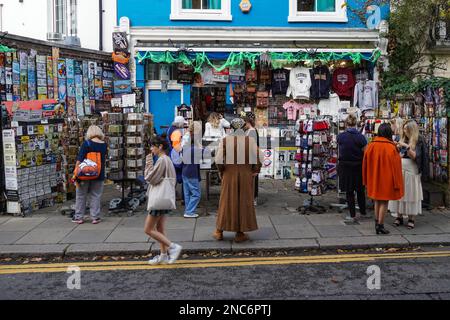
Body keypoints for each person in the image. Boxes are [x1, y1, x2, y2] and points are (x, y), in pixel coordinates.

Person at [213, 118, 262, 243]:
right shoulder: (249, 141)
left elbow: (218, 159)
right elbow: (259, 156)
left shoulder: (225, 141)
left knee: (226, 202)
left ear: (231, 129)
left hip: (229, 175)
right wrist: (255, 170)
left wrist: (222, 170)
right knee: (243, 203)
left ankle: (219, 231)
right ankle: (240, 234)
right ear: (243, 128)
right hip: (246, 176)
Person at [144, 136, 182, 265]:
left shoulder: (161, 160)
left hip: (158, 199)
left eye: (152, 146)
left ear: (160, 146)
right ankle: (164, 255)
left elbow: (150, 178)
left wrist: (148, 163)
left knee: (148, 229)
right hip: (164, 197)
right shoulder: (167, 160)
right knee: (159, 228)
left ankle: (173, 247)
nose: (151, 149)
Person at [363, 123, 404, 234]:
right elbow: (396, 167)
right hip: (387, 179)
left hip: (374, 178)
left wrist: (365, 179)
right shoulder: (391, 147)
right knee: (384, 202)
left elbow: (365, 164)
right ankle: (380, 225)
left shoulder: (370, 145)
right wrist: (397, 183)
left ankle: (377, 223)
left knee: (377, 200)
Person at [389, 120, 427, 229]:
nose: (404, 131)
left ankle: (411, 218)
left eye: (406, 129)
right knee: (400, 193)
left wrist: (406, 146)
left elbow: (415, 156)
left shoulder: (419, 140)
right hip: (400, 168)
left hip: (411, 169)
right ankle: (399, 216)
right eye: (404, 128)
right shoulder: (401, 138)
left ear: (411, 129)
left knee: (411, 193)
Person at [72, 125, 107, 225]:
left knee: (81, 195)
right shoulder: (104, 145)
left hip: (84, 174)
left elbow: (80, 159)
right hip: (99, 174)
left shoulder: (86, 143)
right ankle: (95, 217)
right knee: (96, 195)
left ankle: (79, 217)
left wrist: (75, 173)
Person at [337, 113, 368, 223]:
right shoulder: (361, 137)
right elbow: (366, 152)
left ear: (346, 124)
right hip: (358, 166)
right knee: (360, 190)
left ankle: (352, 215)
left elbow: (340, 149)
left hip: (345, 166)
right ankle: (363, 213)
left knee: (349, 191)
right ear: (356, 124)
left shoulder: (340, 136)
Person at [182, 122, 204, 219]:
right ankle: (190, 211)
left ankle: (188, 210)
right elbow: (203, 152)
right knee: (196, 194)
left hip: (185, 169)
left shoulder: (186, 138)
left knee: (187, 193)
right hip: (191, 171)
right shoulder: (193, 143)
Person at [166, 116, 185, 202]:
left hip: (172, 154)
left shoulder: (170, 129)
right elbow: (177, 145)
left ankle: (172, 195)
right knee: (180, 176)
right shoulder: (176, 132)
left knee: (174, 176)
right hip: (176, 156)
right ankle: (183, 197)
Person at [243, 112, 260, 206]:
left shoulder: (252, 132)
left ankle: (253, 198)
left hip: (251, 160)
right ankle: (251, 197)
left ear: (247, 122)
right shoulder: (250, 131)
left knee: (252, 179)